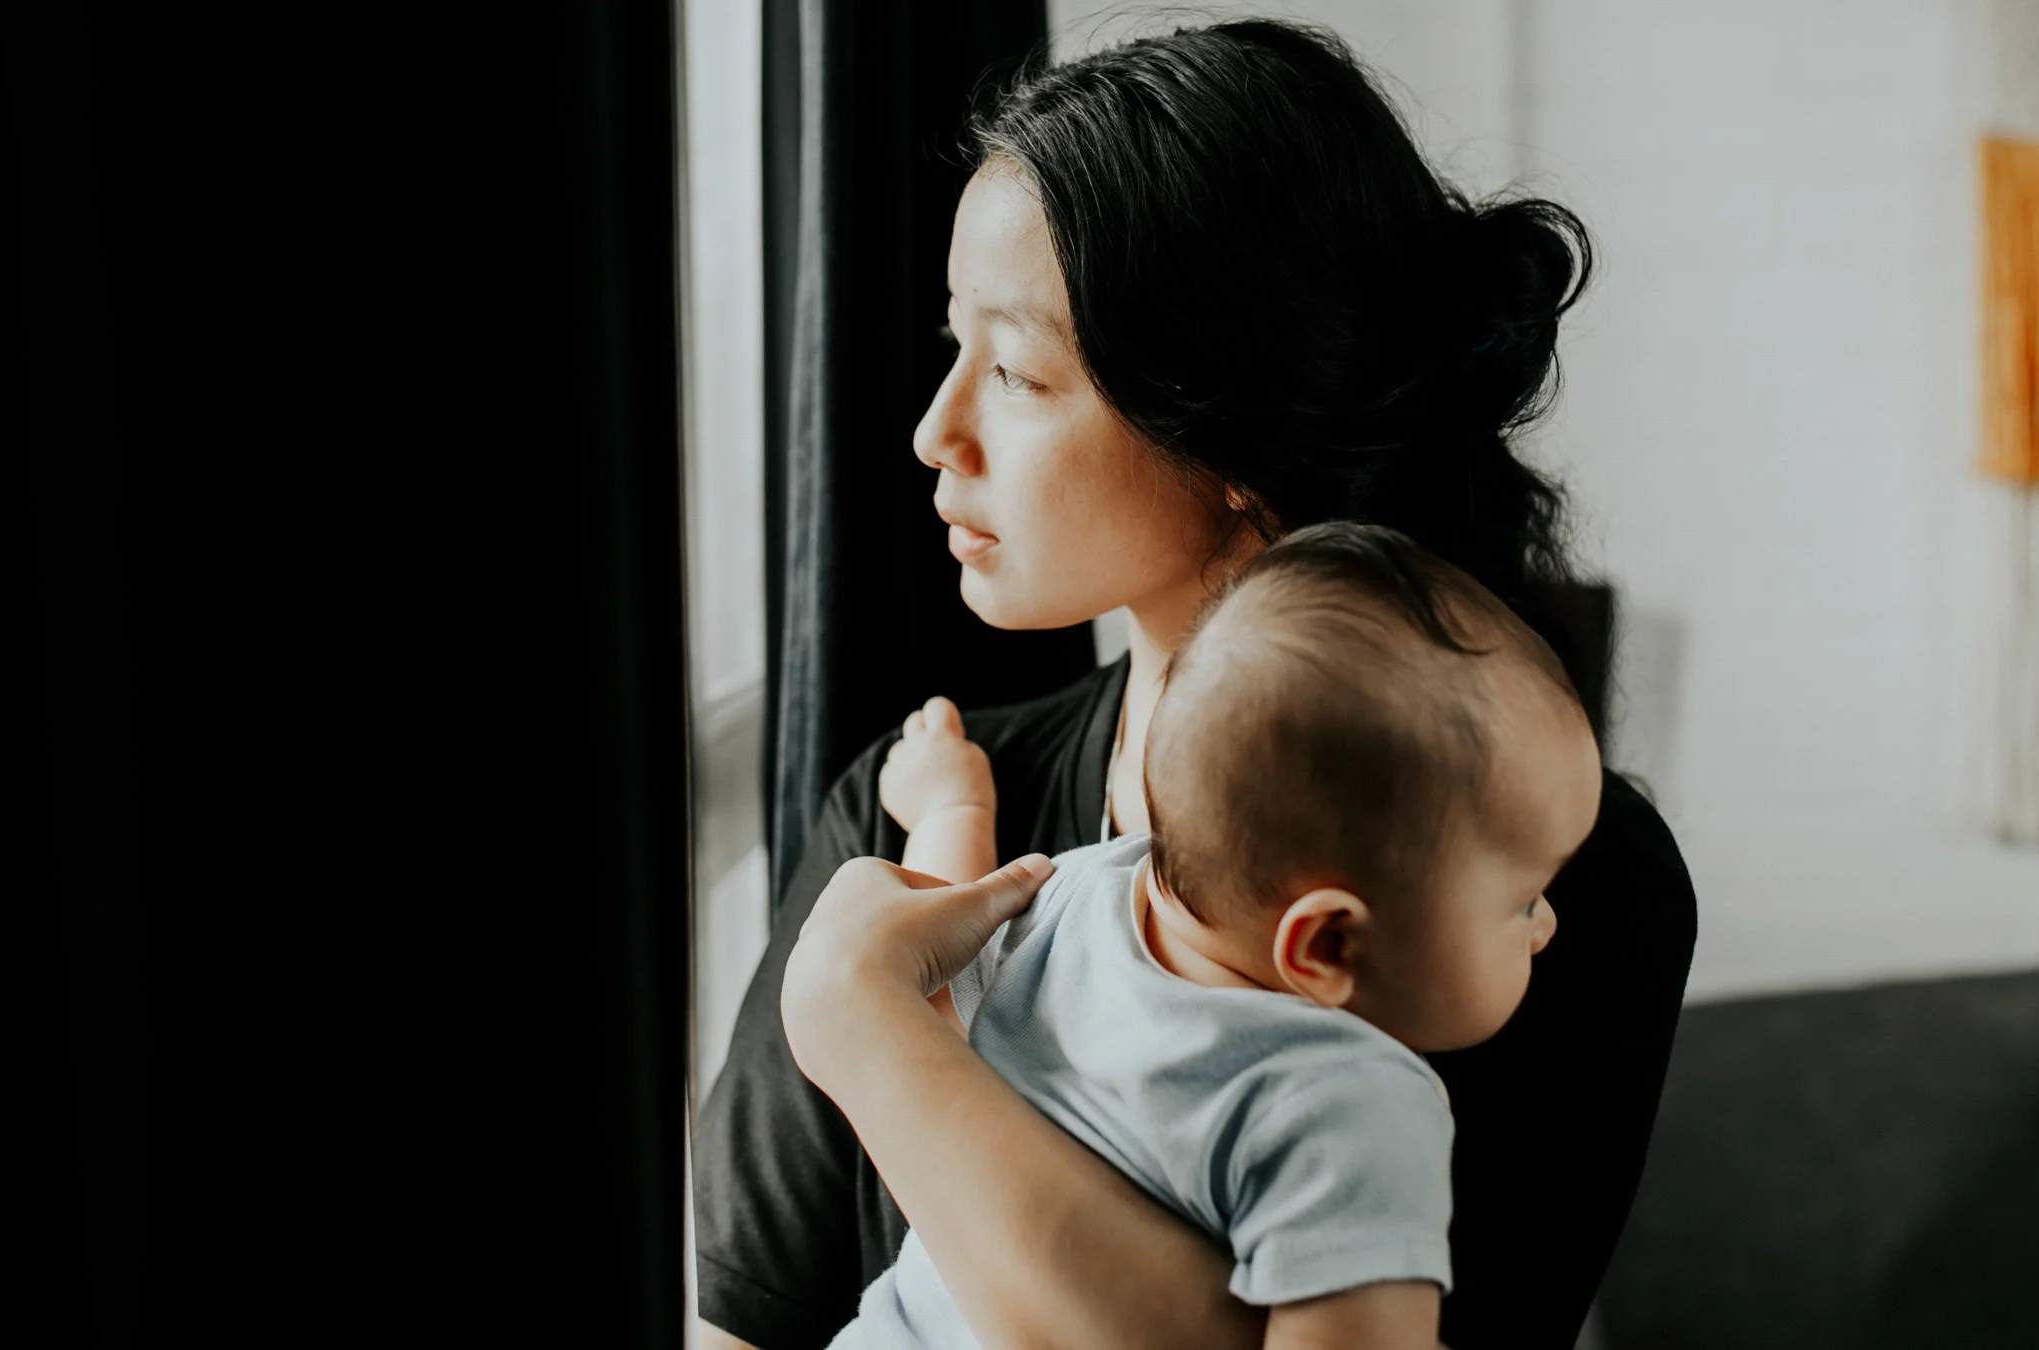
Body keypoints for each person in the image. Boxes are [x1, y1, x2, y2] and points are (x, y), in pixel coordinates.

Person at [694, 19, 1698, 1350]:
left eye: (1015, 370)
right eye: (954, 349)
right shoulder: (905, 812)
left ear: (1226, 429)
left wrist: (870, 1029)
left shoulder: (1538, 886)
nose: (937, 429)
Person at [815, 524, 1602, 1348]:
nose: (1548, 926)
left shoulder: (1076, 894)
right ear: (1328, 946)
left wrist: (952, 814)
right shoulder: (1351, 1107)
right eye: (1523, 900)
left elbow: (930, 949)